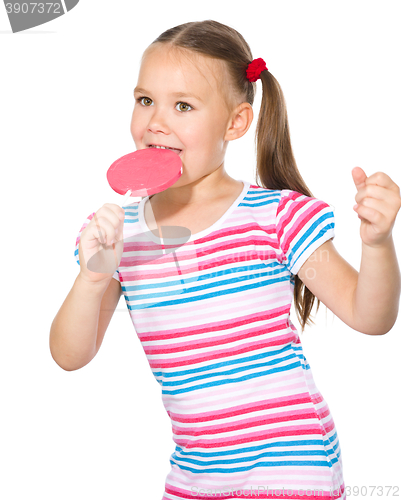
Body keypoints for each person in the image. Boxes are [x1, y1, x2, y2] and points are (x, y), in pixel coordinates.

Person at [49, 19, 401, 500]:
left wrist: (378, 244)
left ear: (236, 122)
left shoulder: (274, 218)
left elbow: (371, 316)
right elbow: (70, 356)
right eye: (145, 100)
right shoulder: (117, 234)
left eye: (183, 106)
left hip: (293, 467)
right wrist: (93, 278)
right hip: (195, 476)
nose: (155, 121)